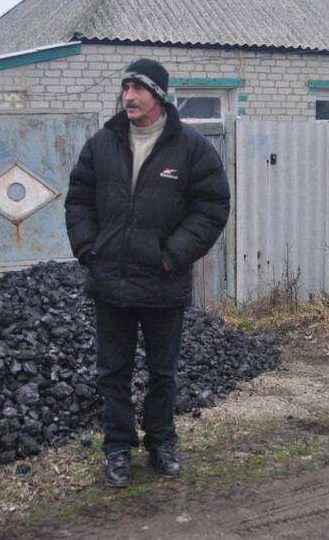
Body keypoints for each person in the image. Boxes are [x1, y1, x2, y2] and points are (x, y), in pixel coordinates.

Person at [64, 58, 231, 488]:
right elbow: (78, 198)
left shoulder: (190, 147)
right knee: (112, 373)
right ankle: (118, 448)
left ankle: (161, 442)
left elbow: (212, 207)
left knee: (163, 373)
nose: (129, 96)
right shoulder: (103, 143)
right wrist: (89, 249)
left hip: (162, 282)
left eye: (137, 88)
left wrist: (171, 256)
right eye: (125, 88)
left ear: (158, 94)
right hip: (111, 282)